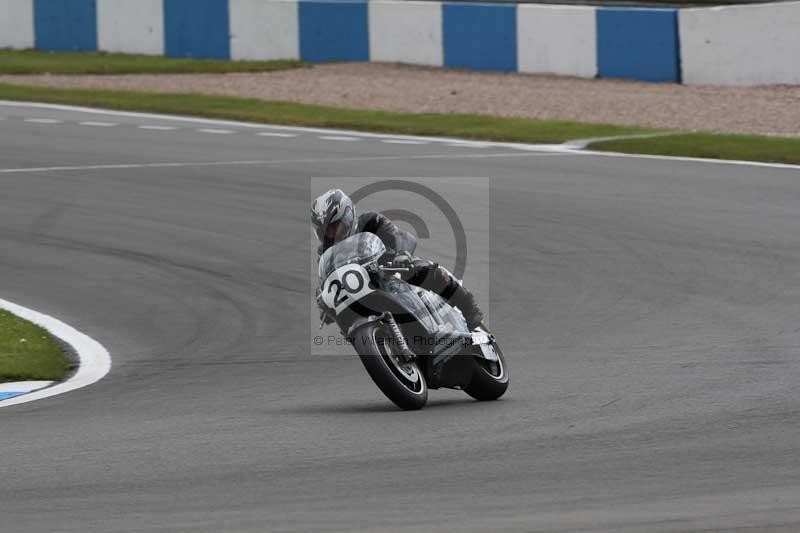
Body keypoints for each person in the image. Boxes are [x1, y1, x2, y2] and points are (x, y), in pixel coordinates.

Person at [312, 188, 484, 330]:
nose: (332, 234)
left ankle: (468, 306)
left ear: (347, 216)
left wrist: (401, 254)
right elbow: (325, 283)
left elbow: (398, 235)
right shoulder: (324, 255)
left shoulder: (370, 221)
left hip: (390, 270)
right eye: (326, 231)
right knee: (346, 323)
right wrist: (325, 302)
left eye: (335, 227)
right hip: (361, 292)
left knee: (419, 269)